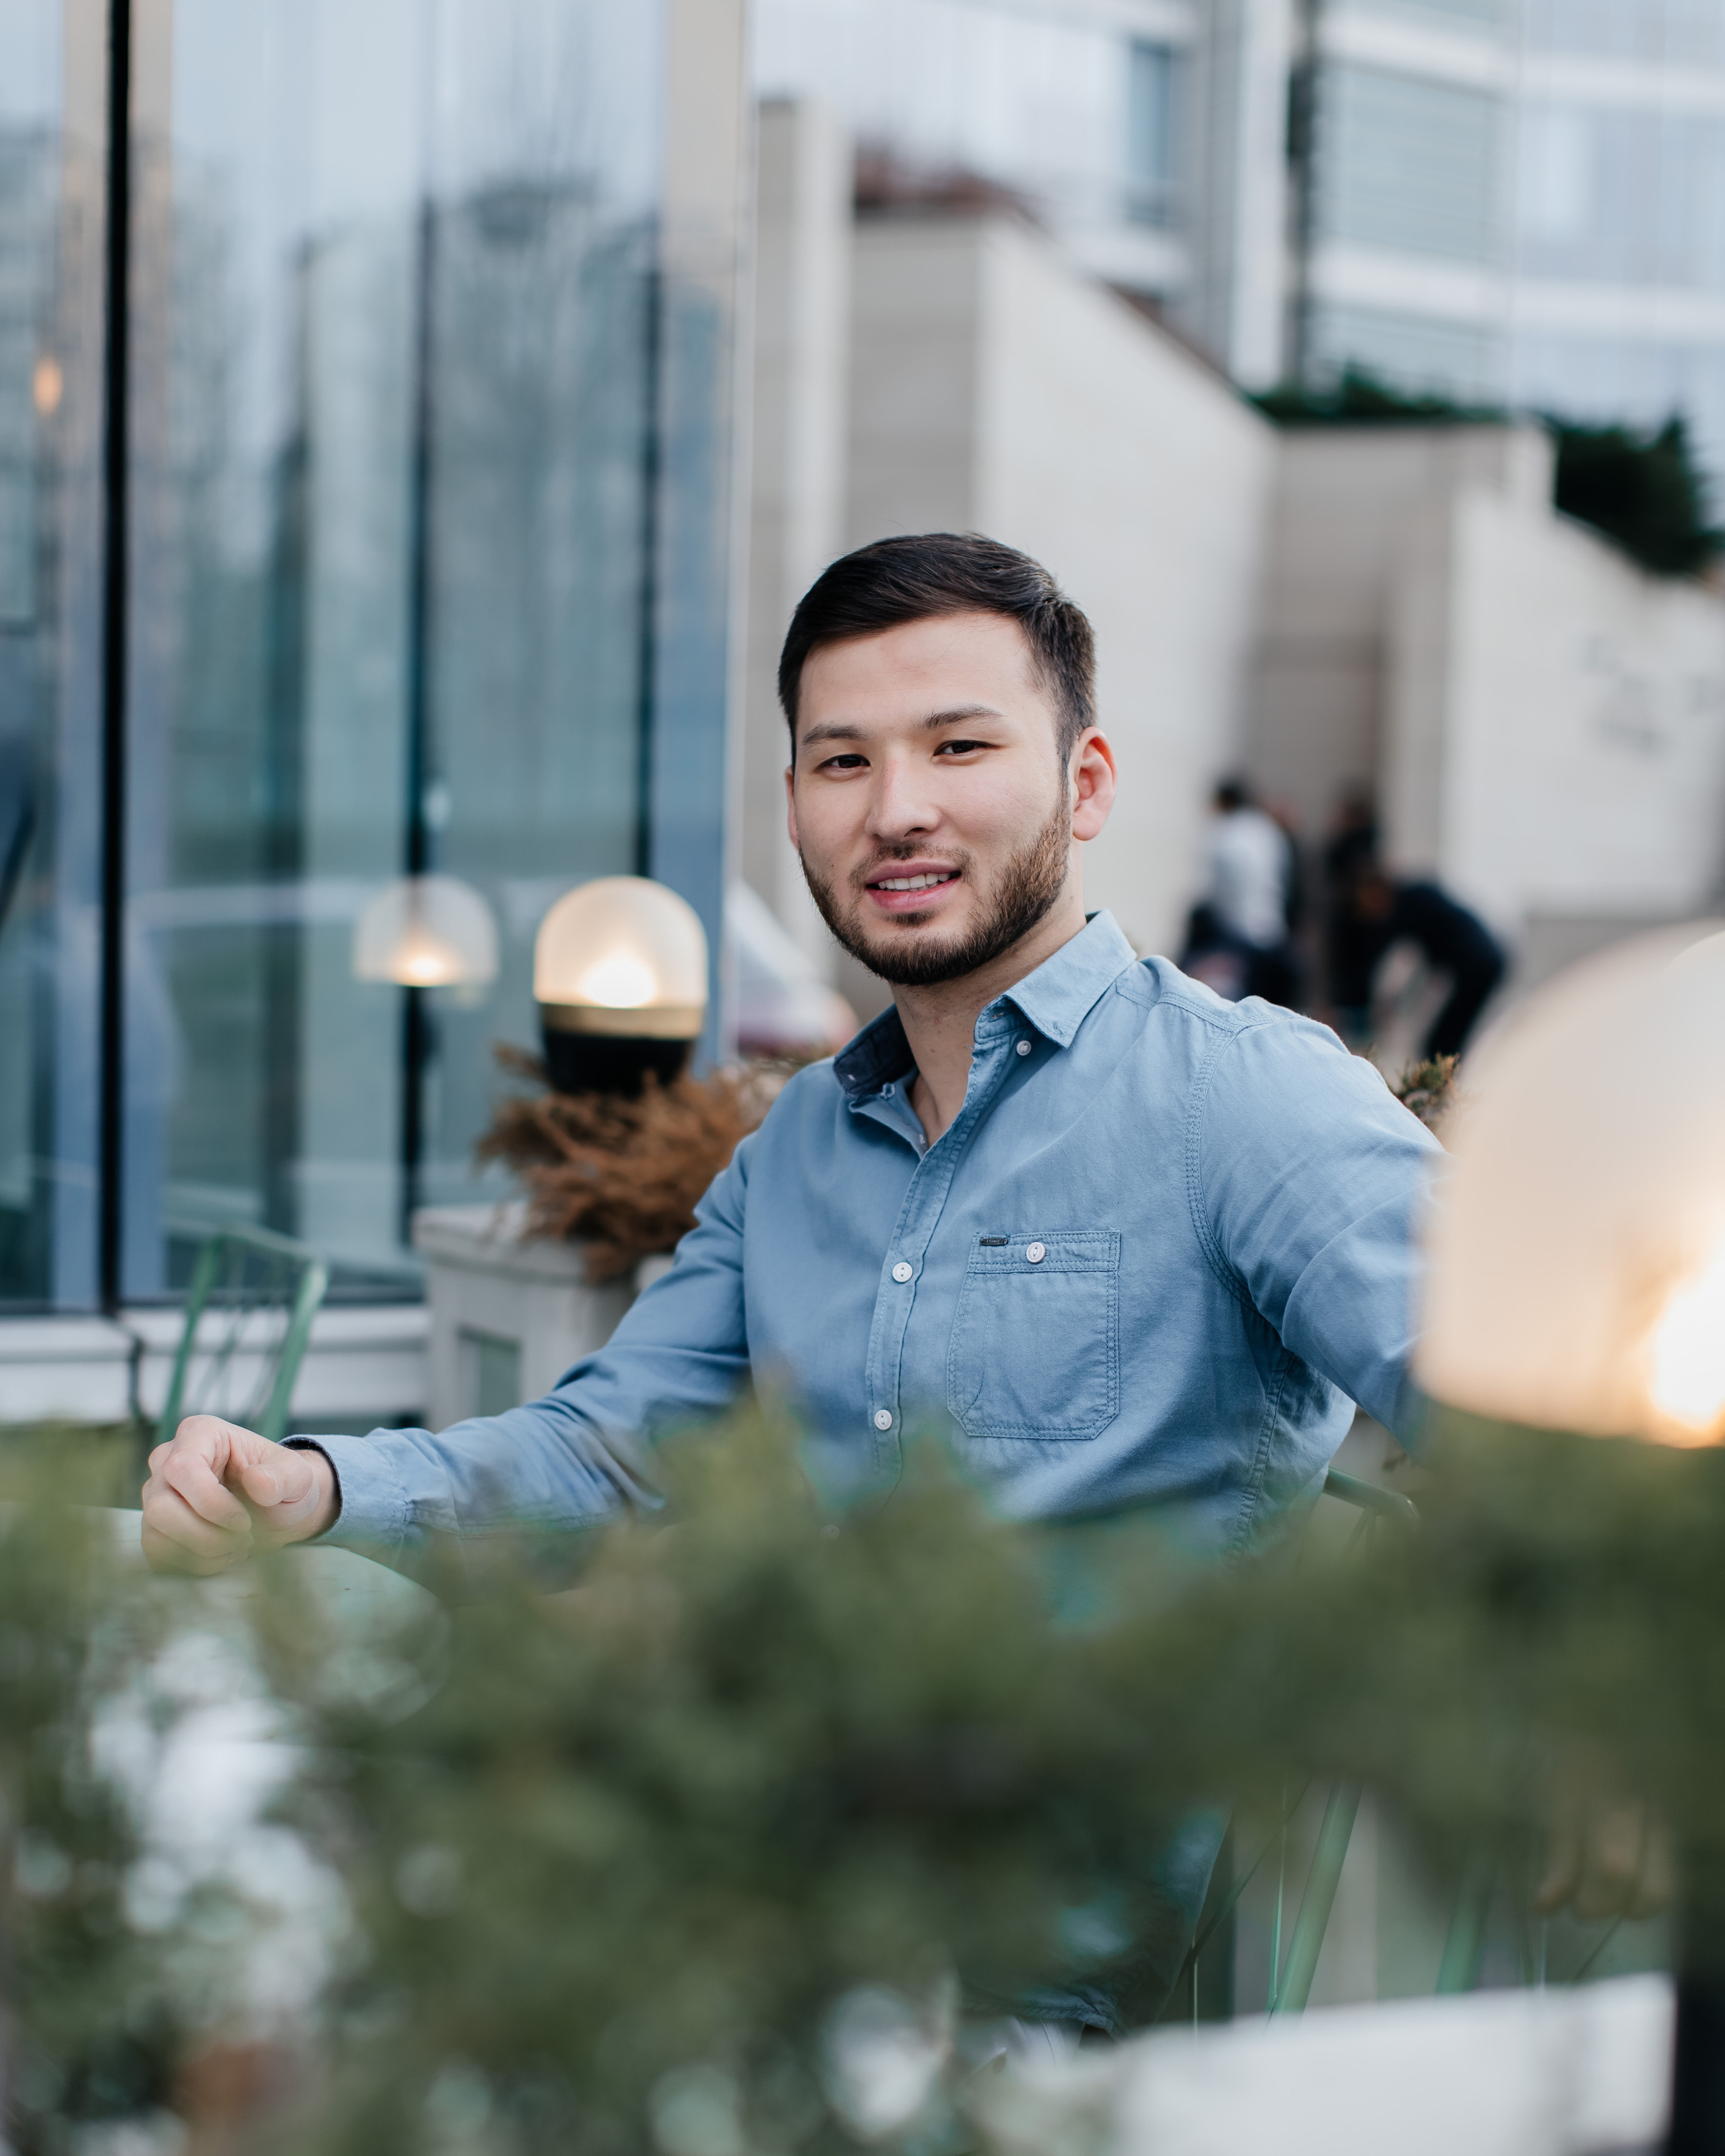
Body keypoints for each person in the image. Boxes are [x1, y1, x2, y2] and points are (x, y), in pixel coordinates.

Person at [142, 534, 1441, 2026]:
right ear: (794, 807)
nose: (896, 810)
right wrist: (311, 1484)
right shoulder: (798, 1143)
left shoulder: (1240, 1096)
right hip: (733, 1888)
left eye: (958, 745)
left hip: (1011, 2001)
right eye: (842, 762)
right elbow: (606, 1449)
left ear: (1083, 783)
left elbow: (1541, 1399)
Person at [1336, 859, 1506, 1059]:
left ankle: (1442, 1081)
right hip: (1482, 961)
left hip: (1480, 963)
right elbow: (1420, 964)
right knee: (1445, 1038)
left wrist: (1354, 1007)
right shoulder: (1412, 901)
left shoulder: (1406, 903)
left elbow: (1374, 955)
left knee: (1445, 1040)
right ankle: (1442, 1078)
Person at [1183, 778, 1300, 1008]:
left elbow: (1218, 892)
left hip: (1237, 934)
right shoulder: (1267, 830)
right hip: (1273, 931)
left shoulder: (1226, 833)